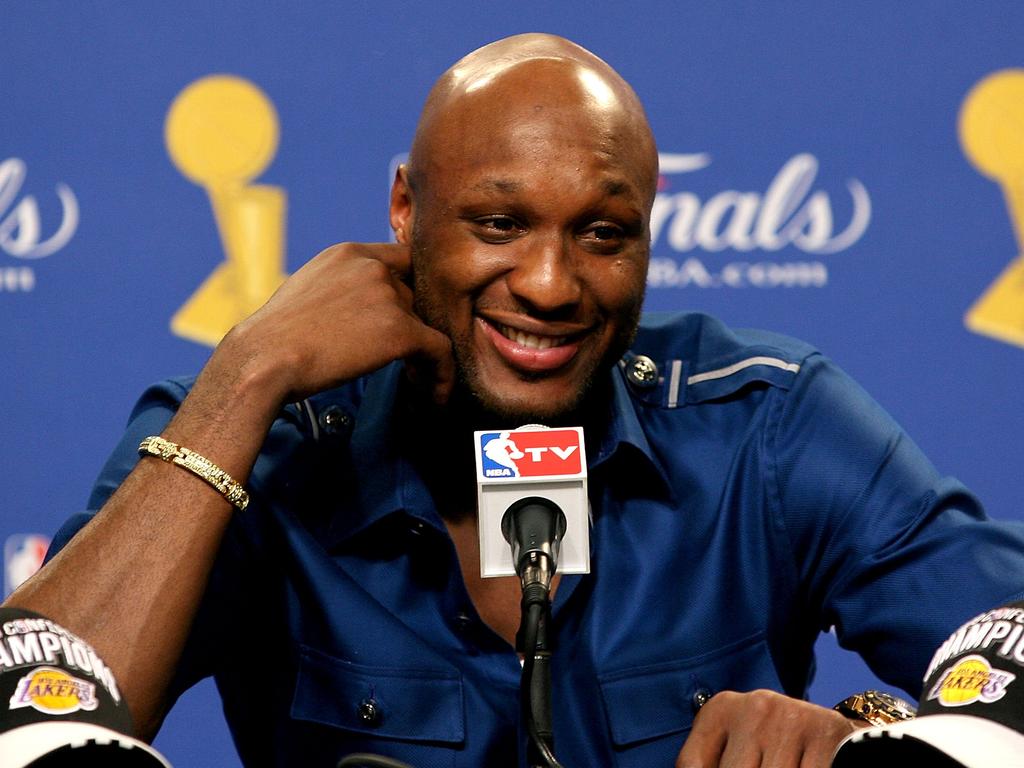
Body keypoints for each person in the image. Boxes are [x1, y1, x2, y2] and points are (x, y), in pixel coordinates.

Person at [5, 33, 1024, 768]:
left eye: (602, 234)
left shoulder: (763, 423)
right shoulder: (255, 434)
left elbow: (1007, 632)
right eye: (498, 223)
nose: (548, 282)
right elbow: (28, 713)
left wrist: (869, 746)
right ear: (405, 209)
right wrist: (246, 378)